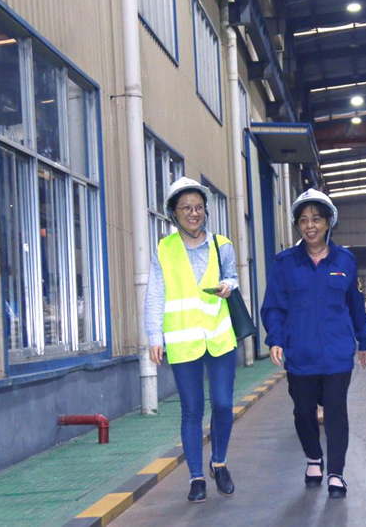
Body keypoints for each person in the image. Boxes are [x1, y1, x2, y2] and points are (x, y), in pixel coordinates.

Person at [261, 189, 366, 499]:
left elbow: (356, 304)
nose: (310, 226)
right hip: (301, 353)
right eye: (303, 220)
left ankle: (336, 473)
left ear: (328, 222)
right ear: (297, 225)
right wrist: (276, 338)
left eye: (316, 219)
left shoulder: (345, 261)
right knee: (303, 411)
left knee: (336, 411)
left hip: (338, 353)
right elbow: (274, 307)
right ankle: (314, 457)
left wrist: (364, 339)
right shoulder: (285, 263)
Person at [145, 177, 240, 503]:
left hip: (219, 336)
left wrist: (228, 286)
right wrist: (154, 335)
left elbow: (232, 277)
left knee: (223, 404)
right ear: (173, 212)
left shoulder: (221, 244)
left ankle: (219, 462)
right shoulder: (164, 249)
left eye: (198, 207)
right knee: (192, 410)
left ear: (205, 210)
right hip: (183, 339)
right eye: (186, 208)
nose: (193, 213)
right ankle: (196, 477)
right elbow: (155, 294)